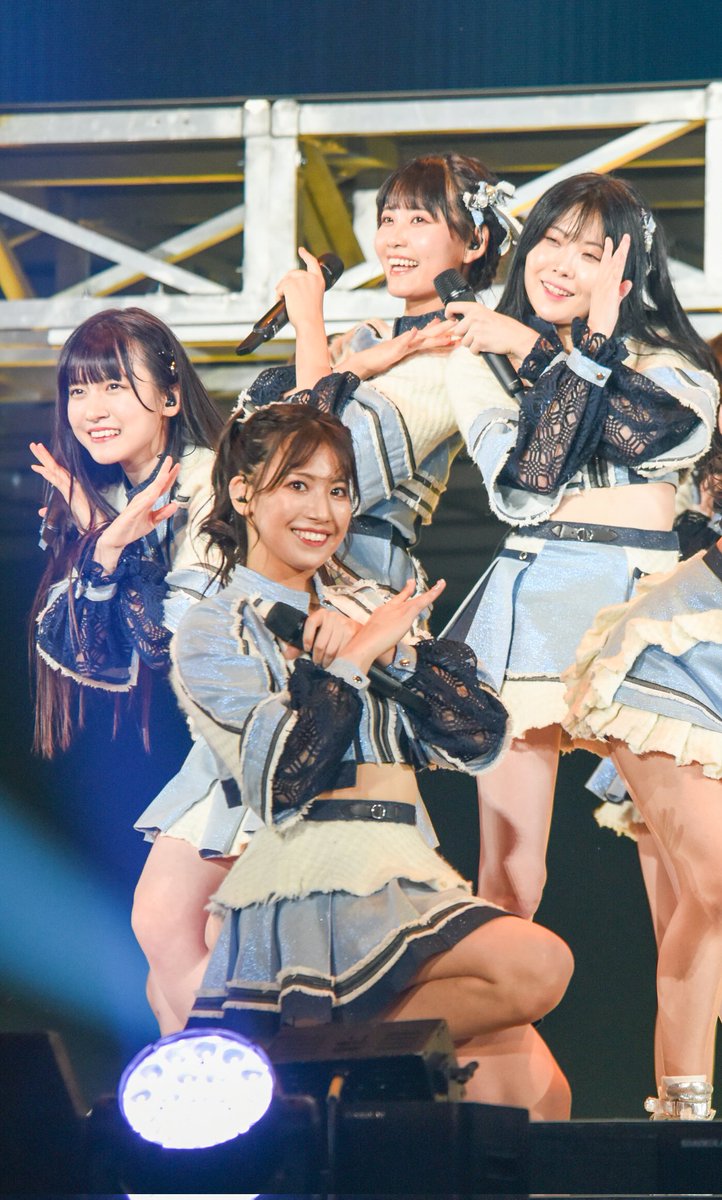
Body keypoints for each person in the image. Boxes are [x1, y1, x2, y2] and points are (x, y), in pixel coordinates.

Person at [171, 400, 574, 1119]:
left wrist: (390, 653)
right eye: (297, 485)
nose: (321, 510)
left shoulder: (369, 603)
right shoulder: (217, 626)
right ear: (243, 493)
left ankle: (320, 1060)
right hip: (318, 881)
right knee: (538, 965)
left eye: (337, 489)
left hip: (405, 868)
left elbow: (476, 738)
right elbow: (284, 779)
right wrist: (351, 662)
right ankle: (299, 1056)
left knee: (538, 1098)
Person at [438, 172, 720, 917]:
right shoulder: (477, 358)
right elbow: (529, 483)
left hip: (649, 607)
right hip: (536, 598)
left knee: (688, 875)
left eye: (590, 253)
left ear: (628, 274)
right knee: (510, 876)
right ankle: (499, 996)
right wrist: (566, 355)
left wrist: (543, 353)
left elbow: (647, 434)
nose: (560, 265)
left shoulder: (670, 361)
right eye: (551, 242)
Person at [29, 307, 227, 1032]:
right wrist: (104, 543)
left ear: (170, 397)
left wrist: (111, 545)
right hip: (218, 739)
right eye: (79, 391)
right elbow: (88, 655)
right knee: (167, 980)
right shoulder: (107, 503)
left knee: (171, 928)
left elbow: (175, 641)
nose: (92, 409)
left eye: (114, 385)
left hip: (272, 729)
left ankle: (259, 1084)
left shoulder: (216, 483)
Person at [240, 153, 517, 591]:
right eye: (388, 219)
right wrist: (352, 361)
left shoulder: (455, 355)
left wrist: (309, 324)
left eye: (419, 220)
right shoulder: (365, 341)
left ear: (474, 242)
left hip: (359, 583)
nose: (394, 240)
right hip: (283, 569)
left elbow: (316, 465)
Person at [563, 414, 722, 1120]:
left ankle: (681, 1118)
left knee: (702, 912)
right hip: (679, 652)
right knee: (715, 887)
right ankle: (685, 1122)